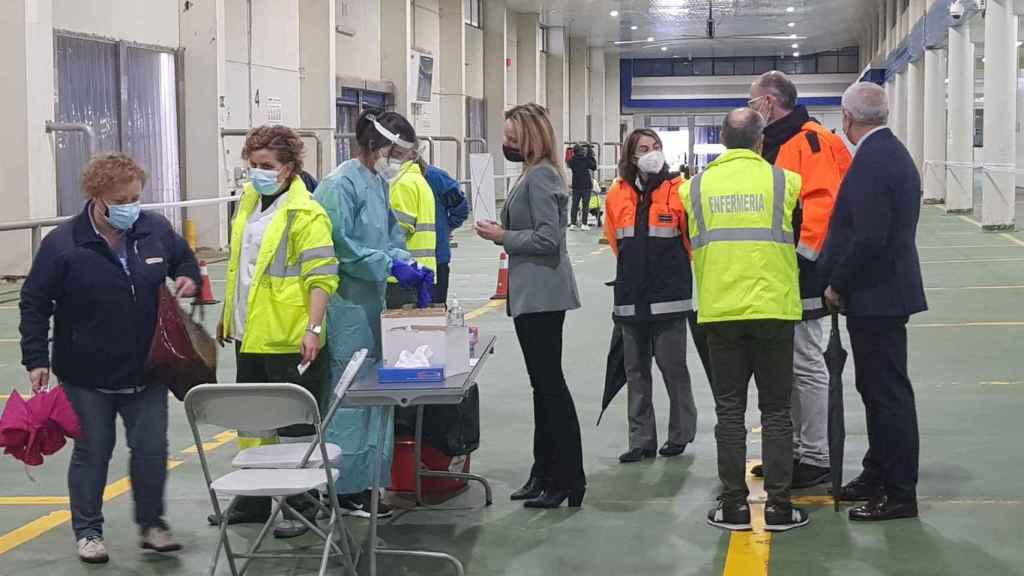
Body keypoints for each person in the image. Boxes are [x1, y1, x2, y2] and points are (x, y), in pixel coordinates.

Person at [19, 153, 200, 563]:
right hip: (87, 375)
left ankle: (152, 525)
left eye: (136, 197)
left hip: (148, 369)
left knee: (152, 448)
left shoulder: (153, 229)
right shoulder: (62, 246)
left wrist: (189, 276)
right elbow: (34, 303)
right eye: (121, 200)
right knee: (92, 452)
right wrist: (36, 358)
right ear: (96, 197)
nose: (130, 207)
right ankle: (88, 532)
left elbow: (183, 258)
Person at [680, 108, 809, 532]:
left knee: (730, 411)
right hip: (774, 309)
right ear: (760, 141)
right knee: (776, 411)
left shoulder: (694, 187)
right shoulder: (783, 181)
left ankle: (734, 506)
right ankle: (779, 507)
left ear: (721, 140)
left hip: (720, 311)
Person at [214, 125, 339, 538]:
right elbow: (242, 268)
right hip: (251, 333)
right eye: (251, 165)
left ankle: (302, 505)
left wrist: (314, 328)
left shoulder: (308, 213)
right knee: (251, 422)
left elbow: (322, 276)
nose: (256, 173)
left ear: (288, 168)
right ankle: (253, 500)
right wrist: (228, 315)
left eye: (265, 165)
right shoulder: (248, 203)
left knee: (293, 425)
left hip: (290, 336)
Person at [820, 82, 927, 522]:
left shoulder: (874, 160)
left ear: (847, 118)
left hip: (876, 294)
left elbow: (868, 237)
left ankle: (899, 493)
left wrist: (837, 285)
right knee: (876, 390)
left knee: (887, 396)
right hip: (883, 292)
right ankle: (876, 473)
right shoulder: (889, 153)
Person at [475, 103, 586, 509]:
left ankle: (567, 478)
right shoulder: (535, 173)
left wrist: (502, 235)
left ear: (529, 138)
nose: (506, 143)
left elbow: (547, 240)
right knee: (543, 387)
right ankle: (545, 473)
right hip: (533, 295)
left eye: (511, 137)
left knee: (550, 387)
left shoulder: (540, 177)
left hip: (542, 296)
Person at [315, 111, 422, 517]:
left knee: (375, 393)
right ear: (379, 147)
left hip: (371, 304)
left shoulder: (377, 182)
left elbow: (391, 235)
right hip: (345, 306)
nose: (399, 161)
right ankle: (341, 489)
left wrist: (405, 262)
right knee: (348, 397)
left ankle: (367, 483)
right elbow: (339, 248)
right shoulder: (339, 185)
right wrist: (386, 263)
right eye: (397, 152)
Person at [748, 71, 852, 488]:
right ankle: (791, 449)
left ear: (769, 103)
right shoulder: (782, 142)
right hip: (784, 271)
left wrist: (803, 261)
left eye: (752, 99)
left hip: (803, 273)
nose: (750, 105)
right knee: (788, 364)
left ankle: (816, 454)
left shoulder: (807, 141)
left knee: (806, 364)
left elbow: (822, 208)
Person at [603, 128, 697, 464]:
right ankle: (641, 440)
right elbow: (615, 240)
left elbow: (690, 240)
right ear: (631, 155)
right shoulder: (616, 193)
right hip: (630, 295)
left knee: (674, 368)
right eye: (644, 148)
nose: (651, 152)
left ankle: (680, 434)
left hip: (670, 296)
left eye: (656, 146)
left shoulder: (680, 189)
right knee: (636, 371)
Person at [382, 118, 437, 309]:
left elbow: (396, 233)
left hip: (400, 275)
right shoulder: (418, 181)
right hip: (418, 271)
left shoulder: (402, 184)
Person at [422, 163, 469, 304]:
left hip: (435, 260)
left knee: (433, 315)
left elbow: (460, 207)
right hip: (400, 262)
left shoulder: (436, 177)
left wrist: (445, 228)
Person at [567, 143, 597, 230]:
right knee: (585, 206)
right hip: (586, 186)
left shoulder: (572, 161)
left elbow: (568, 162)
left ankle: (573, 224)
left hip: (576, 186)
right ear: (581, 151)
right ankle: (584, 224)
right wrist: (590, 154)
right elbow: (594, 166)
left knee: (574, 205)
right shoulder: (585, 159)